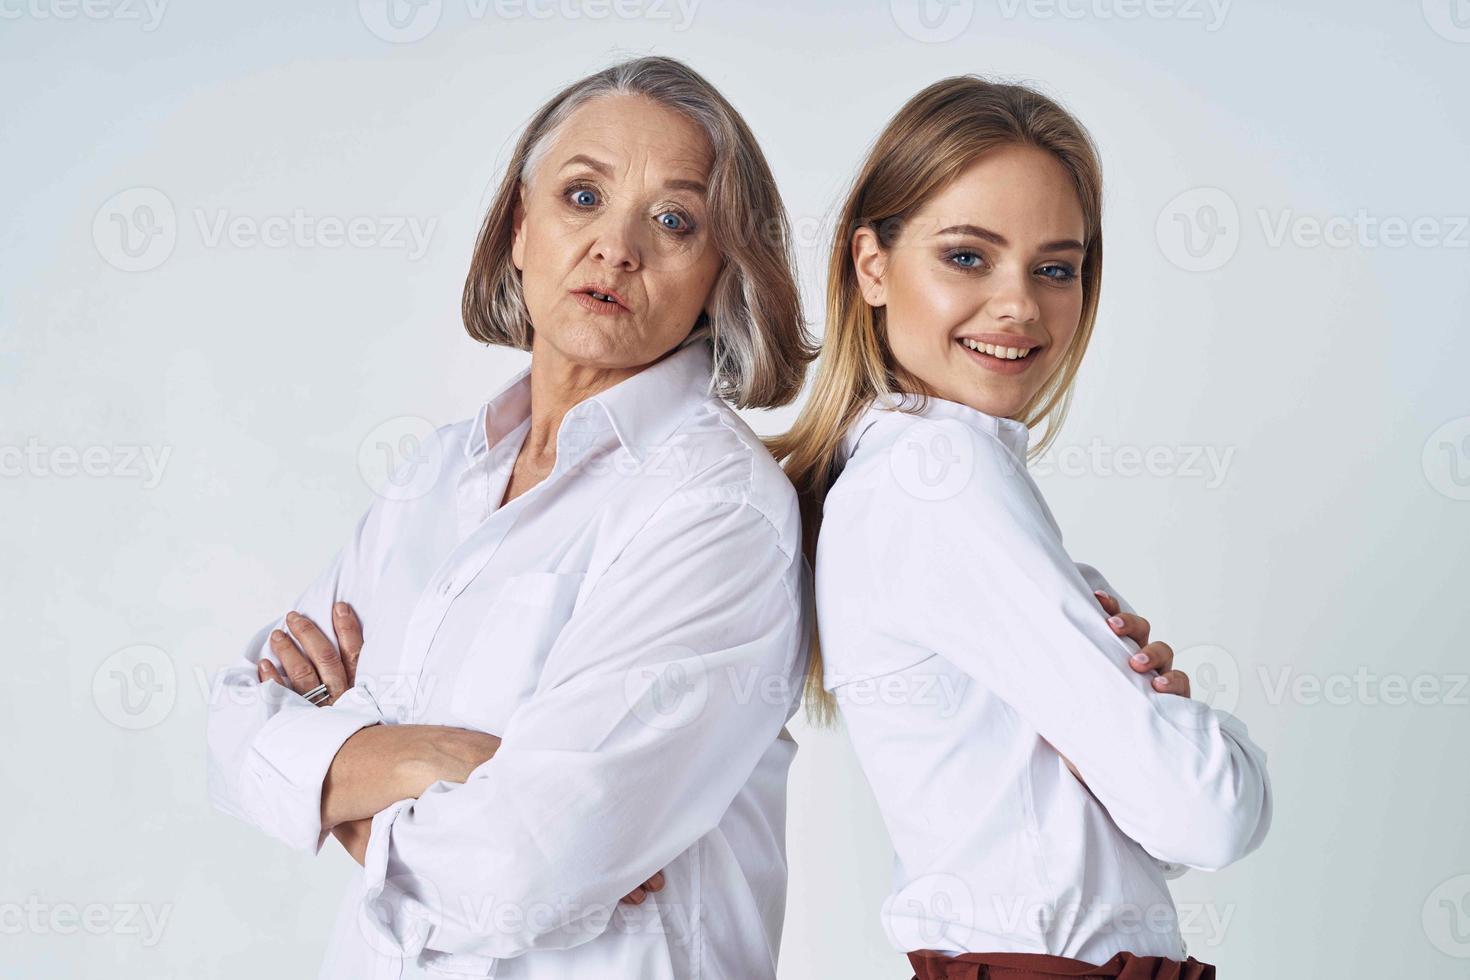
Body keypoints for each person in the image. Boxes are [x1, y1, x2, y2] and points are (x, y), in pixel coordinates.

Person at [206, 55, 816, 979]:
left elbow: (524, 869)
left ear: (721, 274)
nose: (617, 247)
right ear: (519, 227)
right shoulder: (436, 472)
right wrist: (424, 758)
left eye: (674, 220)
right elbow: (235, 730)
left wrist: (327, 781)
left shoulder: (716, 509)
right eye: (581, 196)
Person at [770, 76, 1272, 978]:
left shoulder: (903, 475)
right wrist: (1204, 737)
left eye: (1055, 267)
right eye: (968, 256)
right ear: (871, 264)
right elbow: (1210, 814)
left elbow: (1145, 843)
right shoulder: (940, 473)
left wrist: (1132, 737)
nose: (1020, 307)